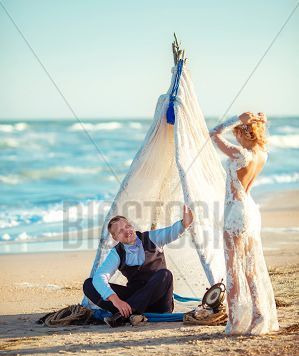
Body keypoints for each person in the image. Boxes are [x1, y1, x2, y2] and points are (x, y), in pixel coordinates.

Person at [209, 112, 279, 335]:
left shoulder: (240, 154)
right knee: (250, 269)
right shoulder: (262, 154)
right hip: (250, 209)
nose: (236, 137)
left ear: (244, 133)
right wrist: (245, 121)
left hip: (235, 213)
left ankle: (237, 321)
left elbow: (213, 132)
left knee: (232, 269)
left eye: (237, 133)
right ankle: (259, 317)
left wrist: (236, 119)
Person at [83, 205, 193, 327]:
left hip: (159, 303)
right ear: (115, 238)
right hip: (135, 296)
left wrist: (185, 223)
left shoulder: (151, 238)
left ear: (132, 226)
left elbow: (172, 231)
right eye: (120, 231)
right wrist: (116, 301)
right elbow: (100, 276)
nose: (127, 231)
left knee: (165, 274)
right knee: (89, 284)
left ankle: (123, 315)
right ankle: (128, 312)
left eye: (128, 226)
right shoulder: (116, 252)